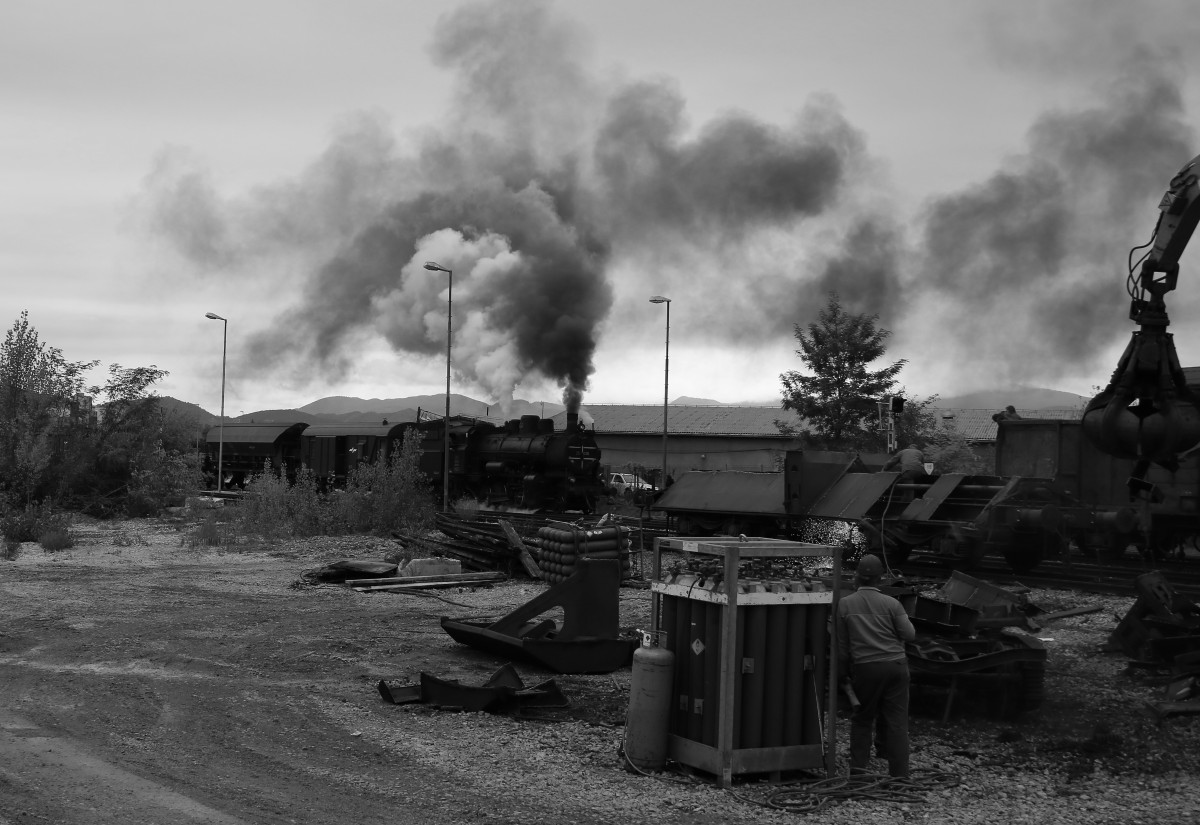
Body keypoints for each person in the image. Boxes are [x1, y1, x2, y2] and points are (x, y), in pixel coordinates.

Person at [835, 553, 917, 777]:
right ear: (880, 579)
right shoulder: (892, 603)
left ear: (857, 578)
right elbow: (910, 635)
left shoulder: (845, 604)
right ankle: (900, 777)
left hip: (866, 669)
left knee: (862, 719)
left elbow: (842, 646)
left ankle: (859, 775)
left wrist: (842, 674)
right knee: (897, 722)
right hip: (896, 667)